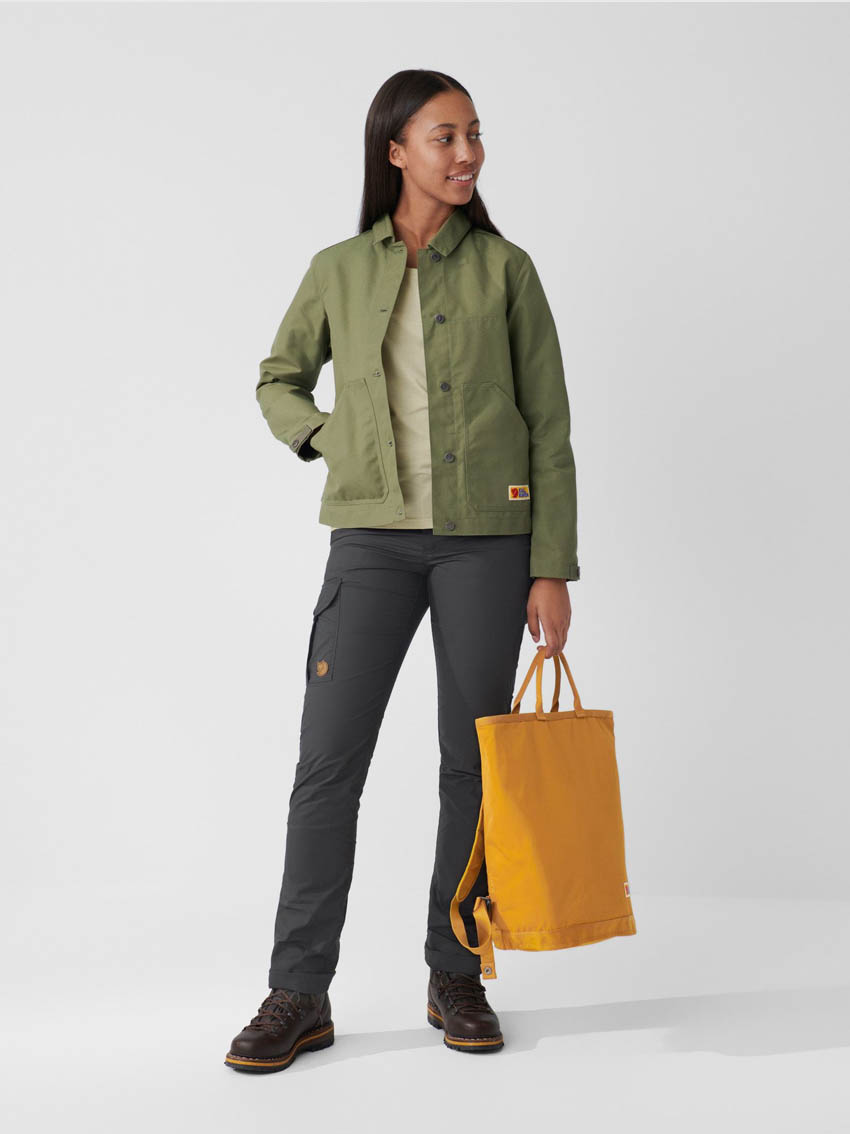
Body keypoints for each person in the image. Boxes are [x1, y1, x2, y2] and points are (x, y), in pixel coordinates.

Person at [224, 68, 579, 1073]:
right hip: (371, 544)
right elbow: (278, 379)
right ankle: (299, 991)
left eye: (473, 135)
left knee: (474, 765)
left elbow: (549, 425)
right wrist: (325, 436)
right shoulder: (340, 268)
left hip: (488, 544)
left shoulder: (506, 270)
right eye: (444, 137)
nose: (467, 154)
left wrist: (550, 566)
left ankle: (454, 970)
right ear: (395, 151)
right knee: (327, 766)